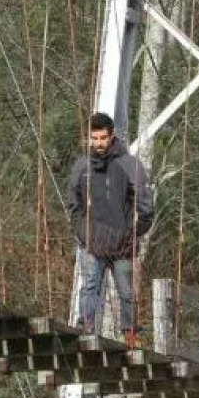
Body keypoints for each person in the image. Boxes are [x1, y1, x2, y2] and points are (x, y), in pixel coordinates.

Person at [67, 112, 154, 347]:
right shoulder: (81, 166)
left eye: (102, 138)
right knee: (90, 287)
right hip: (92, 241)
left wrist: (134, 233)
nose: (98, 143)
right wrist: (81, 231)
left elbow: (146, 206)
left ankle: (130, 335)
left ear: (111, 135)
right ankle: (85, 328)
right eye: (94, 138)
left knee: (127, 293)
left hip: (122, 244)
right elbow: (73, 203)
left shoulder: (130, 165)